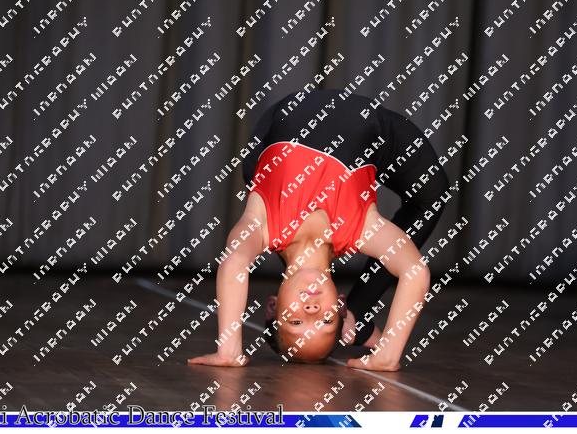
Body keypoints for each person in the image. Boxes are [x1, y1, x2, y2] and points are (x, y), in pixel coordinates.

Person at [187, 88, 449, 371]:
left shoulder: (261, 227)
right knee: (433, 196)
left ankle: (356, 317)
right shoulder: (361, 229)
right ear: (338, 305)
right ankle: (357, 313)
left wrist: (229, 349)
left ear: (273, 306)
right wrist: (388, 353)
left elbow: (235, 262)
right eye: (326, 320)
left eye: (295, 321)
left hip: (286, 117)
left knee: (253, 171)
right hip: (370, 126)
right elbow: (415, 272)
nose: (311, 310)